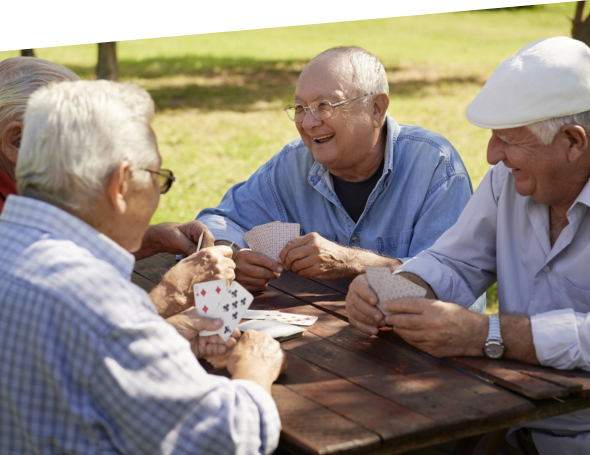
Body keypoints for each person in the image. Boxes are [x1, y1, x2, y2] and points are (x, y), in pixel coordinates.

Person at [0, 80, 285, 454]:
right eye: (157, 178)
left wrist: (161, 338)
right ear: (120, 184)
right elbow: (230, 436)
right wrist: (255, 365)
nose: (155, 195)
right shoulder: (97, 299)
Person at [346, 37, 590, 454]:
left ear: (572, 142)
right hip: (510, 425)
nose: (493, 155)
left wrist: (487, 333)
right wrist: (395, 289)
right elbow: (453, 260)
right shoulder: (507, 182)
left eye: (510, 140)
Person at [196, 46, 485, 311]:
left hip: (407, 354)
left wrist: (354, 263)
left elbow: (453, 291)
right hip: (316, 346)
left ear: (376, 108)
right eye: (300, 108)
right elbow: (219, 222)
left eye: (325, 105)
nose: (309, 123)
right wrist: (233, 257)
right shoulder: (293, 163)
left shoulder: (435, 165)